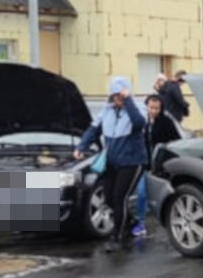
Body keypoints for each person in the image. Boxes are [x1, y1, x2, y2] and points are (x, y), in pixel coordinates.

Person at [73, 77, 147, 253]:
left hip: (132, 161)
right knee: (108, 197)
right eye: (115, 95)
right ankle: (130, 221)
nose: (118, 99)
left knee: (120, 196)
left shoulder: (137, 108)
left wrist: (128, 101)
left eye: (121, 95)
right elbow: (93, 130)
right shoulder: (106, 111)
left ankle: (116, 237)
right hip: (112, 162)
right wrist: (81, 147)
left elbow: (139, 123)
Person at [132, 94, 181, 237]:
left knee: (163, 194)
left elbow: (176, 142)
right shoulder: (142, 122)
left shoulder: (166, 122)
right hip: (142, 164)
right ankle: (140, 222)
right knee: (141, 192)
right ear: (146, 107)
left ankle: (170, 220)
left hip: (159, 167)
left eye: (156, 108)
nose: (153, 111)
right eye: (151, 108)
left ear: (161, 108)